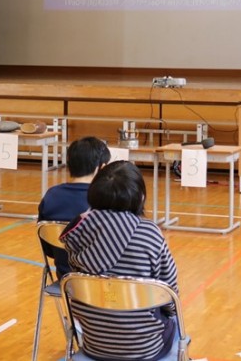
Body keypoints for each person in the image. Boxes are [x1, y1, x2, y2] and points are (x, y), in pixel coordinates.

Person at [61, 160, 179, 361]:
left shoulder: (78, 231)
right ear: (140, 197)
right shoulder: (149, 233)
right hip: (146, 348)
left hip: (94, 343)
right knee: (175, 324)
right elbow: (170, 294)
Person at [37, 136, 111, 276]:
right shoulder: (107, 199)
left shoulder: (51, 196)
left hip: (66, 279)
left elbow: (47, 248)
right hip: (101, 281)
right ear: (101, 168)